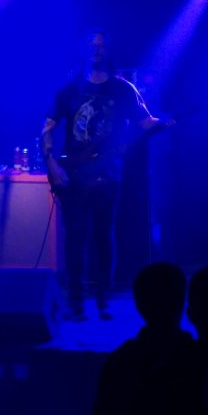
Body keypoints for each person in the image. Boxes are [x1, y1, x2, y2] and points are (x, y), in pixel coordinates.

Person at [41, 30, 166, 320]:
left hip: (108, 174)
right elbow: (47, 127)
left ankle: (103, 300)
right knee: (76, 238)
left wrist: (170, 120)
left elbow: (145, 122)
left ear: (108, 51)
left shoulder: (123, 89)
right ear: (83, 49)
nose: (96, 49)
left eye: (101, 45)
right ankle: (76, 302)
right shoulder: (69, 88)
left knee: (104, 237)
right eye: (92, 45)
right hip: (74, 174)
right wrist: (52, 164)